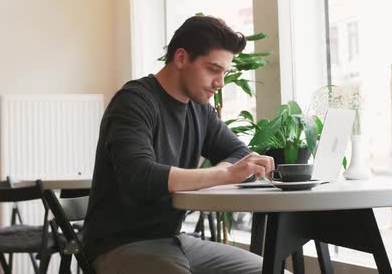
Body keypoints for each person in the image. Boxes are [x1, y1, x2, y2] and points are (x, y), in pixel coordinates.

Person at [83, 15, 275, 274]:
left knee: (270, 270)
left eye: (224, 73)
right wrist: (225, 174)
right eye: (213, 69)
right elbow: (139, 176)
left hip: (175, 240)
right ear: (182, 58)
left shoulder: (199, 109)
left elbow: (239, 153)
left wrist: (231, 171)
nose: (220, 83)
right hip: (119, 246)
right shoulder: (134, 101)